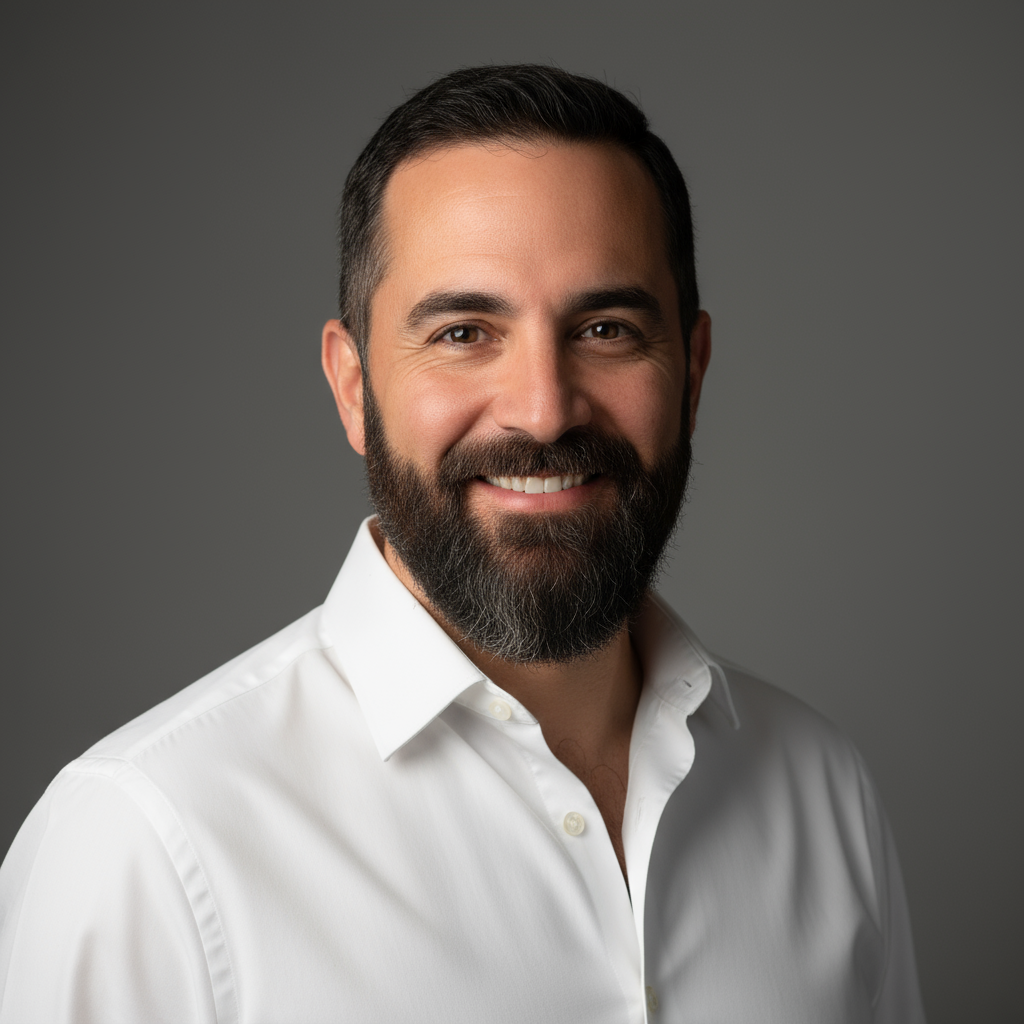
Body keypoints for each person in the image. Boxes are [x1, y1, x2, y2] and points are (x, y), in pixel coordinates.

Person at [0, 65, 926, 1023]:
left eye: (605, 328)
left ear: (690, 372)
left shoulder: (822, 788)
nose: (540, 411)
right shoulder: (142, 846)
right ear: (354, 388)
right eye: (462, 332)